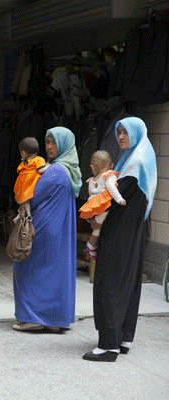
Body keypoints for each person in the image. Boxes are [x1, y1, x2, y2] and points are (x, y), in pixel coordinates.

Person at [83, 117, 157, 362]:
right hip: (131, 233)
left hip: (118, 234)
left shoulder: (134, 164)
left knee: (110, 283)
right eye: (119, 132)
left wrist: (92, 216)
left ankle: (108, 346)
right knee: (127, 282)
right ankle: (123, 338)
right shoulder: (141, 157)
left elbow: (110, 198)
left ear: (137, 133)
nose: (121, 137)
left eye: (126, 133)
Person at [12, 127, 82, 333]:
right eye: (48, 142)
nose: (50, 147)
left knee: (26, 268)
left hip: (41, 228)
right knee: (55, 272)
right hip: (59, 229)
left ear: (64, 146)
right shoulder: (70, 170)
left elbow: (30, 197)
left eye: (54, 143)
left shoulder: (54, 171)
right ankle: (54, 319)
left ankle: (32, 318)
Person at [78, 150, 126, 260]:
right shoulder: (109, 176)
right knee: (99, 227)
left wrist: (90, 218)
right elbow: (111, 187)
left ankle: (91, 246)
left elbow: (91, 195)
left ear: (92, 167)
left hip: (92, 207)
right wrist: (119, 199)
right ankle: (90, 246)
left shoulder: (91, 180)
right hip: (103, 207)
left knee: (95, 224)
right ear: (111, 165)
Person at [13, 137, 46, 223]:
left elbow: (19, 170)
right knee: (27, 204)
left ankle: (20, 214)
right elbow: (41, 170)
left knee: (25, 203)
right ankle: (21, 214)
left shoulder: (24, 163)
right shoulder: (39, 160)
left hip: (23, 187)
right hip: (30, 187)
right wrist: (49, 166)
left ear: (23, 153)